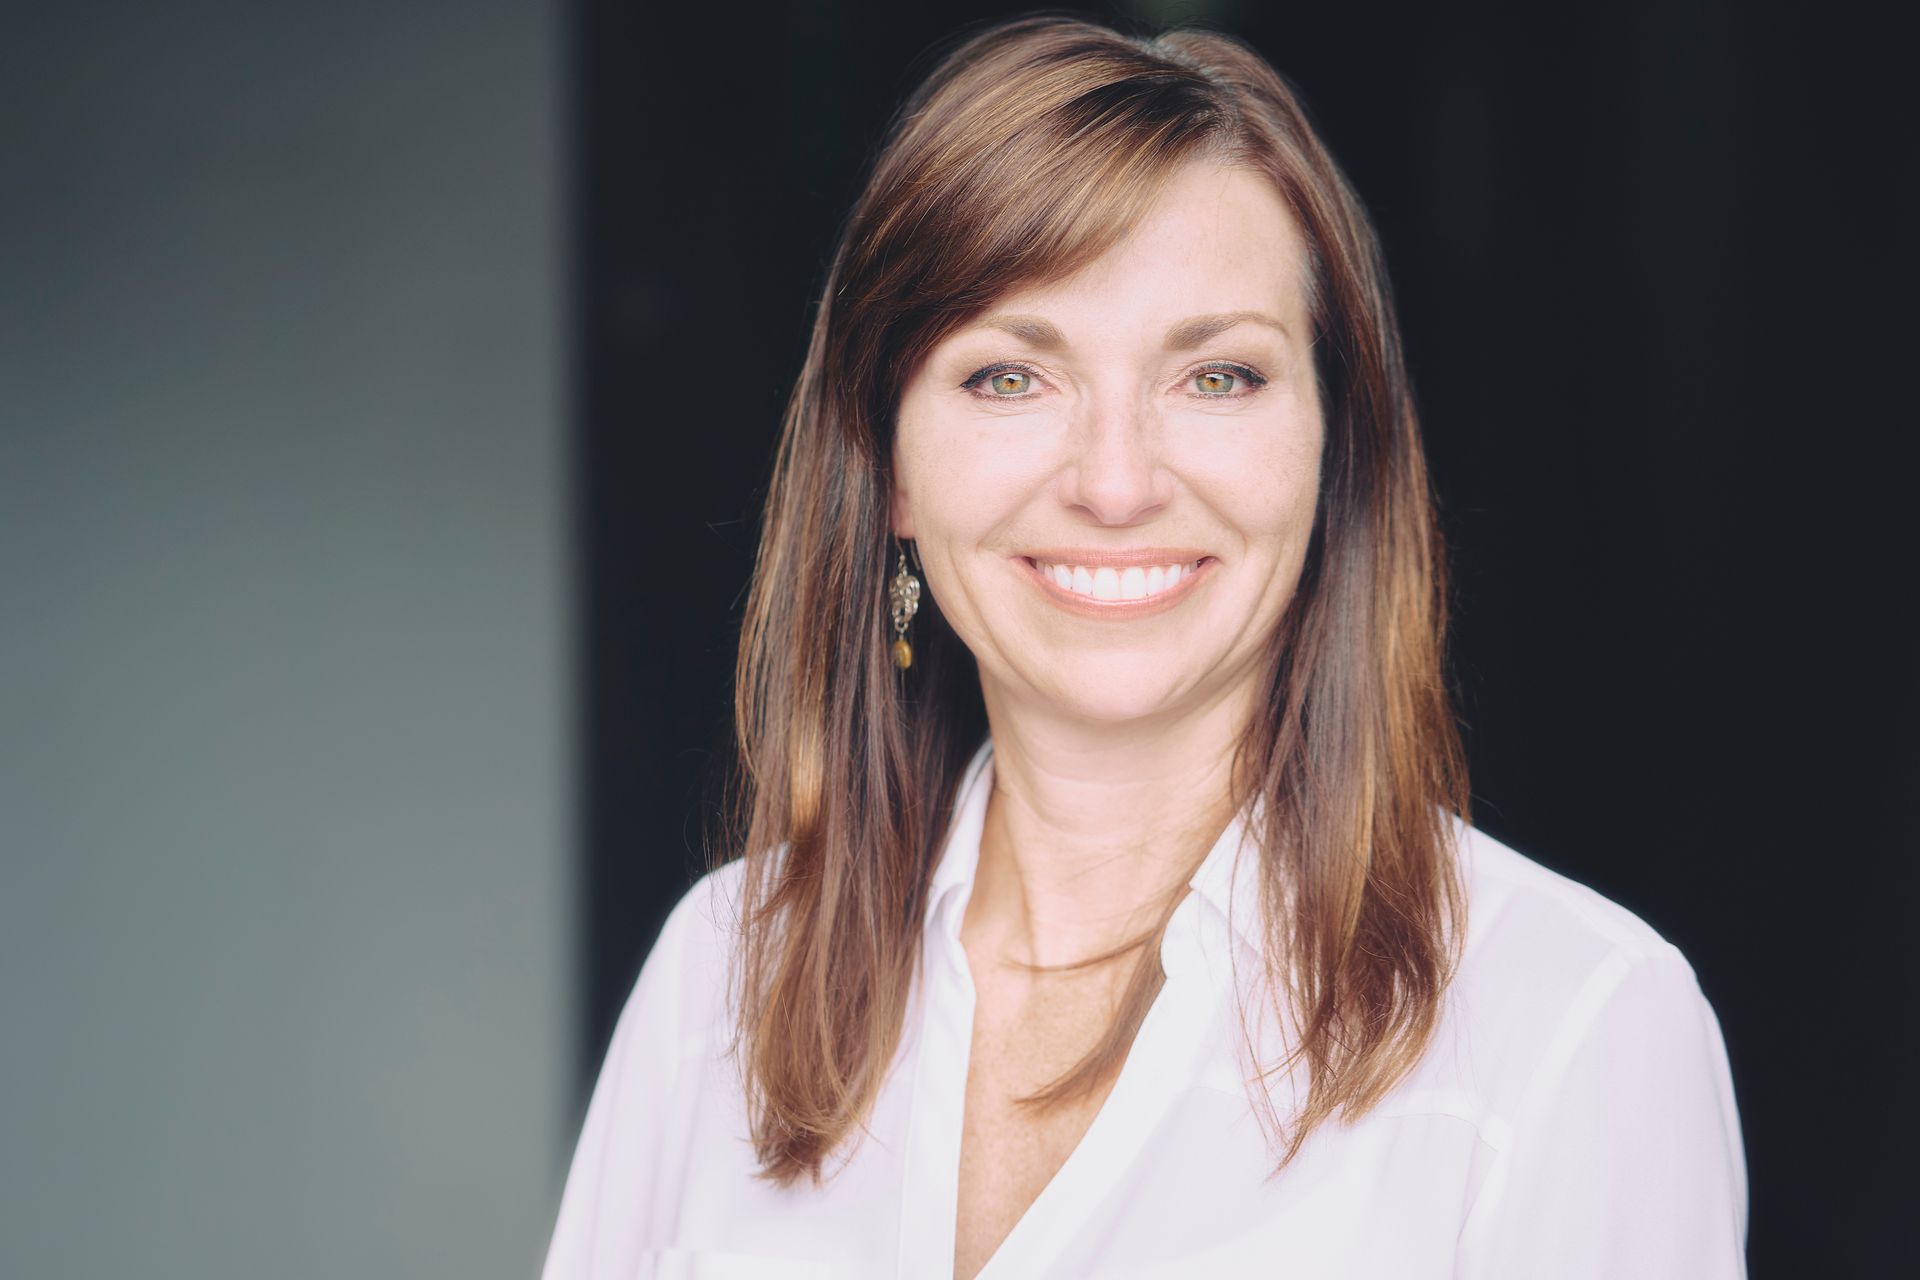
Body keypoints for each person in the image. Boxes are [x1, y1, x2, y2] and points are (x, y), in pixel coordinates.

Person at [542, 13, 1748, 1278]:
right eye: (1011, 376)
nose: (1115, 483)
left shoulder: (1573, 1027)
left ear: (1335, 452)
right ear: (889, 466)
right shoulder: (725, 974)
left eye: (1216, 376)